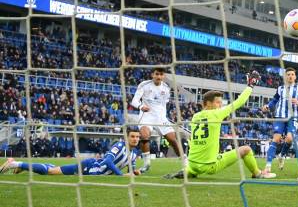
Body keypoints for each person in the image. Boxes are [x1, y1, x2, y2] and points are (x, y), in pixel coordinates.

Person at [165, 71, 276, 180]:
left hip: (192, 164)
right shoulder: (217, 114)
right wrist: (250, 86)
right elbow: (240, 101)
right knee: (246, 149)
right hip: (210, 165)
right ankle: (257, 173)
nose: (221, 105)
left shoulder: (195, 116)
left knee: (196, 163)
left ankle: (188, 172)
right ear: (208, 103)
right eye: (218, 102)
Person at [1, 126, 141, 176]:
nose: (135, 139)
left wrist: (136, 172)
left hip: (93, 170)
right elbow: (108, 161)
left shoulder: (134, 154)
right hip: (90, 167)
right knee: (51, 172)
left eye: (137, 137)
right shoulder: (120, 146)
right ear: (126, 137)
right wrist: (120, 176)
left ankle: (23, 166)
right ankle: (15, 164)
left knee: (54, 169)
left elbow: (132, 170)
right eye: (132, 136)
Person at [131, 67, 184, 173]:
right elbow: (134, 101)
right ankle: (146, 164)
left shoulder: (166, 88)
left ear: (163, 76)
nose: (159, 76)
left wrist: (163, 117)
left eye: (161, 74)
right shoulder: (144, 85)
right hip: (147, 116)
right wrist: (141, 106)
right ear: (152, 75)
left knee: (173, 140)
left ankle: (185, 164)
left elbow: (163, 104)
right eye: (157, 74)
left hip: (160, 117)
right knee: (144, 136)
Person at [262, 67, 298, 172]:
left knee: (289, 139)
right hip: (280, 116)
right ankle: (268, 166)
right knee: (276, 138)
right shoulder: (280, 88)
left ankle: (282, 155)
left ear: (295, 76)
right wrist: (268, 106)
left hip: (293, 118)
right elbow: (274, 100)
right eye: (288, 74)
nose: (290, 76)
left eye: (292, 74)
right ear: (285, 76)